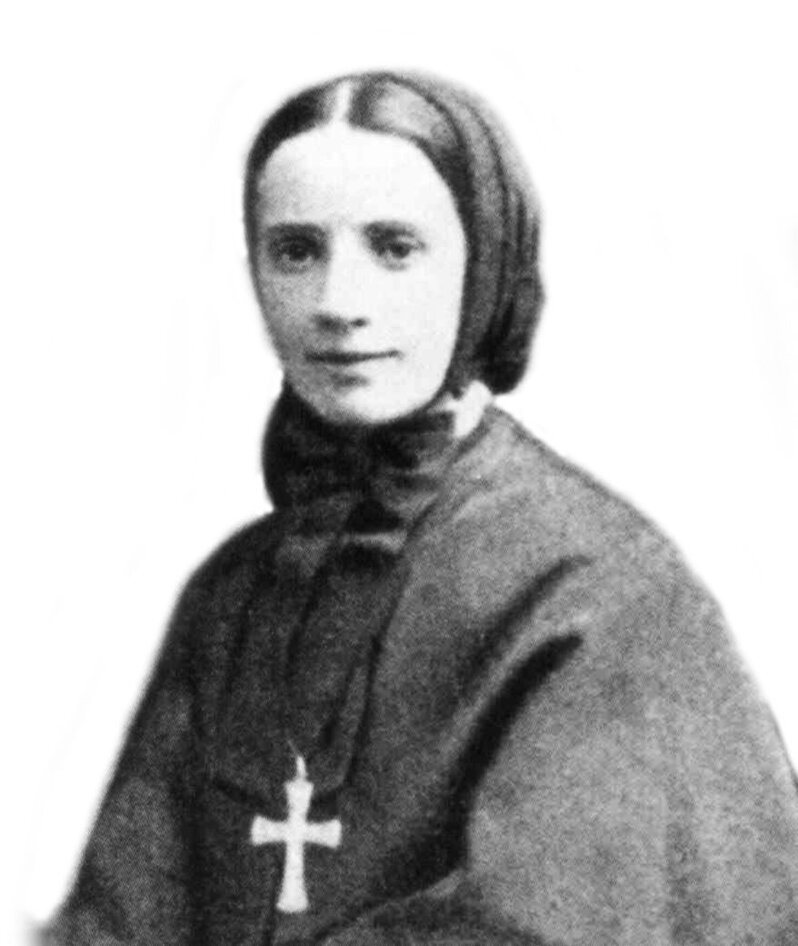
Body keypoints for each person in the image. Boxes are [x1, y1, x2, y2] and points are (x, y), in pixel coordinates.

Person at [46, 71, 798, 946]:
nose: (338, 304)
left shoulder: (602, 590)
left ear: (483, 267)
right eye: (296, 251)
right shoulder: (233, 594)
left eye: (395, 248)